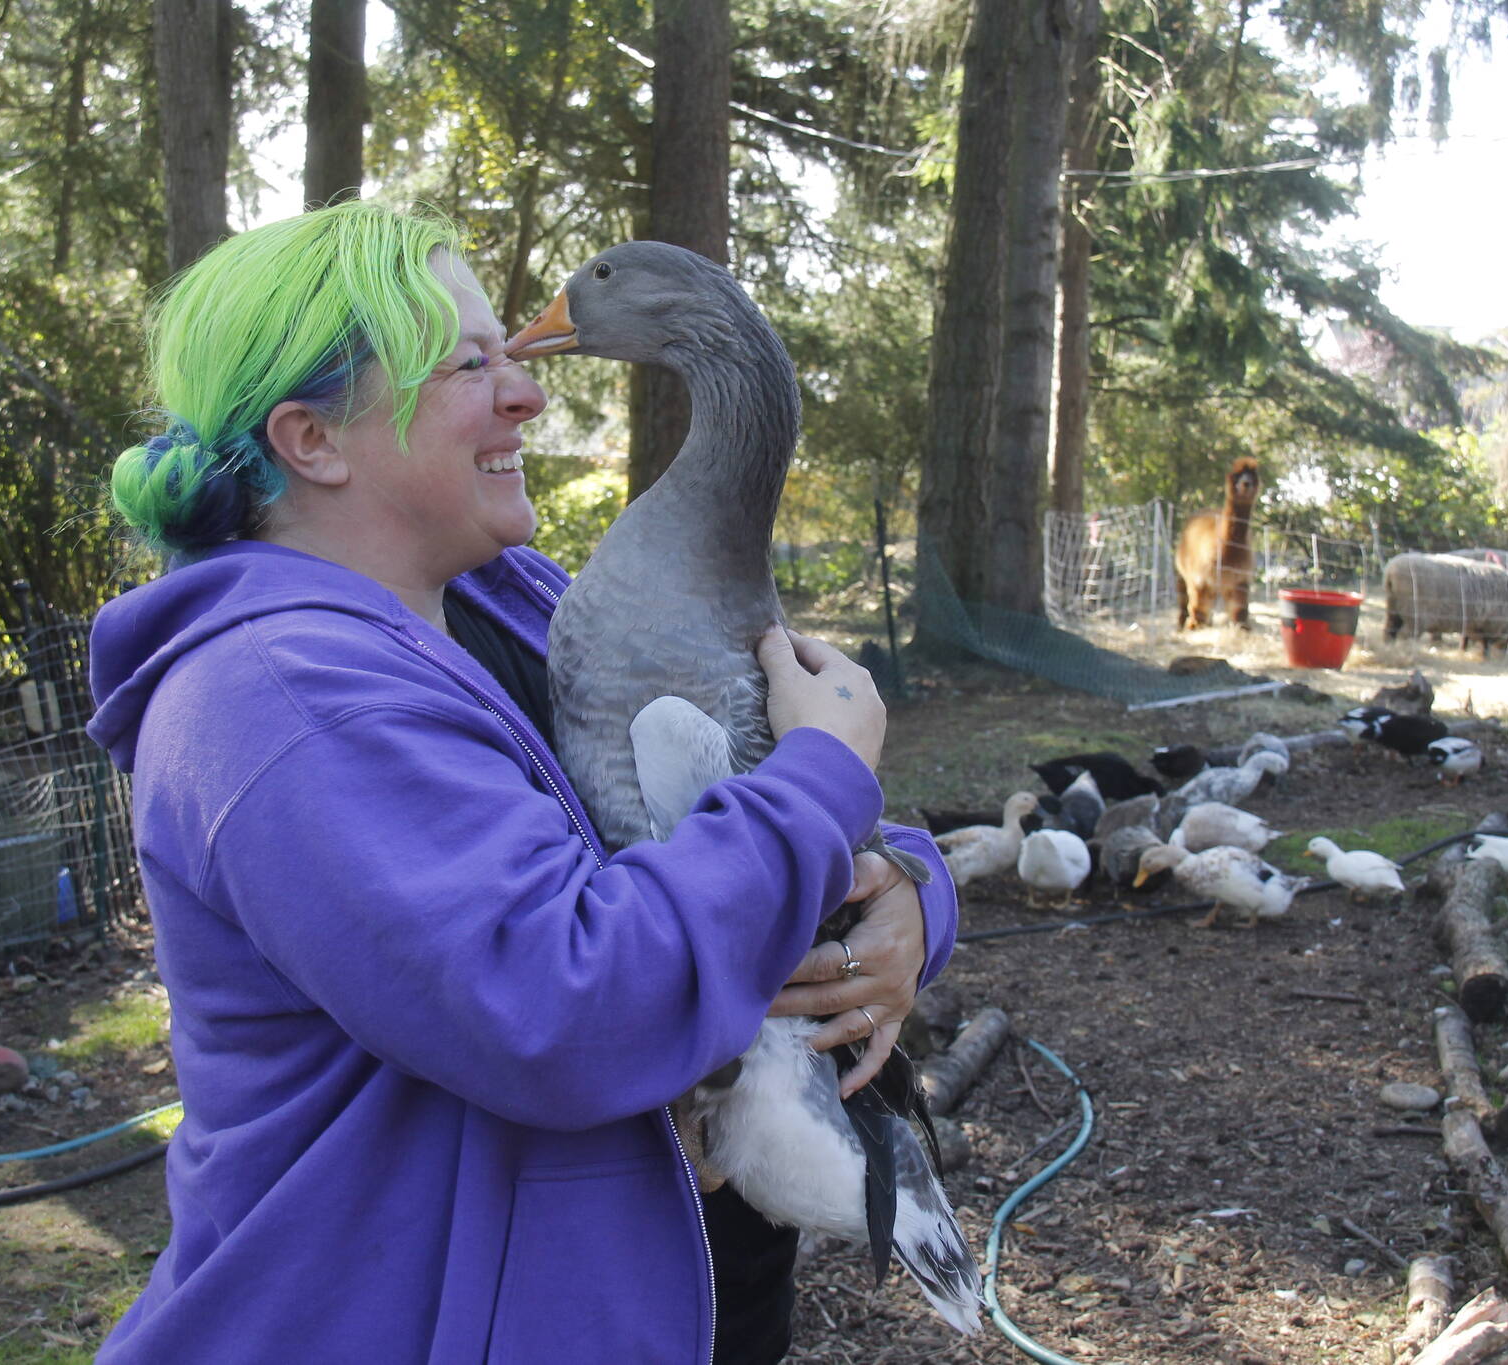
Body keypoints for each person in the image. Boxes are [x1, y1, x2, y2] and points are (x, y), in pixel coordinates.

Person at [85, 199, 958, 1363]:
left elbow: (733, 804)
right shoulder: (283, 699)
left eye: (511, 354)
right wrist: (820, 783)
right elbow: (562, 1006)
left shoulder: (526, 608)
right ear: (313, 441)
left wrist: (903, 889)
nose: (528, 393)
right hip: (397, 1323)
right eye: (468, 366)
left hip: (644, 1285)